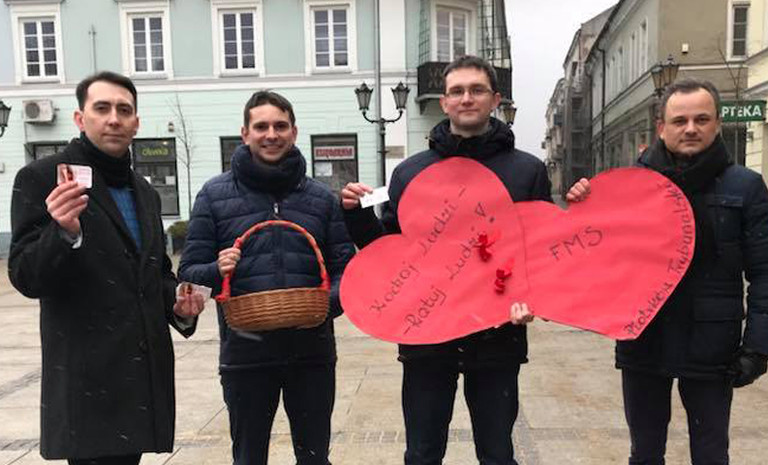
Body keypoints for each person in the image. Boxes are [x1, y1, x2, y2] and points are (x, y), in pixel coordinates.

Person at [340, 55, 551, 465]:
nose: (466, 98)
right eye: (457, 91)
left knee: (497, 454)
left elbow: (540, 251)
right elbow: (389, 251)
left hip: (497, 336)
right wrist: (355, 215)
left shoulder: (527, 171)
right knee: (422, 453)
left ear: (496, 99)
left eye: (477, 90)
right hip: (426, 337)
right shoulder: (410, 172)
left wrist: (533, 298)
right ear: (444, 102)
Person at [567, 78, 768, 465]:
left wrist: (758, 348)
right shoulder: (629, 185)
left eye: (701, 119)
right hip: (645, 337)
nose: (690, 128)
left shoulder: (746, 187)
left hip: (712, 343)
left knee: (710, 454)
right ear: (661, 127)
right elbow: (596, 258)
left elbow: (764, 273)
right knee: (644, 453)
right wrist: (583, 207)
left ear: (717, 123)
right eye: (679, 121)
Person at [8, 71, 205, 465]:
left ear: (136, 123)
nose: (114, 119)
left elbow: (154, 273)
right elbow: (26, 275)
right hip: (88, 384)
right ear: (80, 118)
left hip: (140, 379)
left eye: (124, 110)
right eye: (102, 108)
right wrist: (63, 233)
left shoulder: (143, 190)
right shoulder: (42, 178)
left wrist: (178, 305)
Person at [178, 91, 355, 465]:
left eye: (280, 126)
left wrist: (324, 306)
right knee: (248, 458)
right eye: (261, 127)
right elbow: (189, 274)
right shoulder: (214, 195)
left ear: (294, 132)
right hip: (246, 354)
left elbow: (346, 270)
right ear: (245, 134)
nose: (271, 134)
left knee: (314, 458)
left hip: (312, 353)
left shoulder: (321, 199)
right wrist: (216, 269)